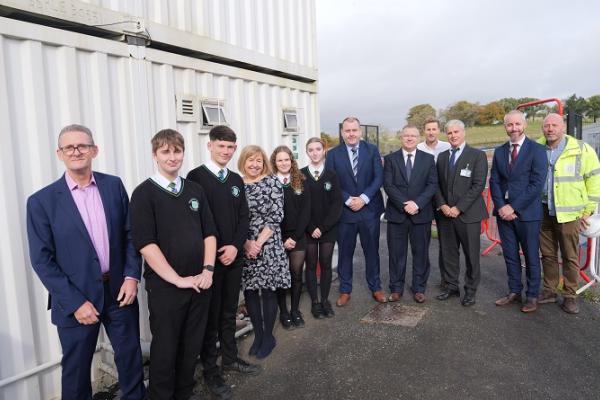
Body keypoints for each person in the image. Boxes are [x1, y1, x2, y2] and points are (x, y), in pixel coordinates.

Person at [26, 124, 145, 400]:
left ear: (94, 150)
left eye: (82, 146)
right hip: (75, 299)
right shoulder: (41, 202)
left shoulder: (113, 185)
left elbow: (130, 235)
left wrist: (131, 276)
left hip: (119, 291)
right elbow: (41, 260)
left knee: (130, 360)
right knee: (77, 372)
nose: (76, 151)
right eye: (70, 147)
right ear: (60, 154)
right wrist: (76, 303)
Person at [130, 129, 217, 400]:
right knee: (166, 351)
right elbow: (146, 245)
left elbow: (209, 234)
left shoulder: (195, 190)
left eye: (177, 151)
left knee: (191, 348)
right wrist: (178, 279)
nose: (172, 157)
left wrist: (208, 270)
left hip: (199, 284)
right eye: (165, 152)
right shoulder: (144, 194)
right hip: (167, 288)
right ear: (155, 155)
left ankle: (184, 394)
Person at [186, 126, 261, 400]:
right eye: (221, 146)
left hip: (234, 257)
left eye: (231, 148)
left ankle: (229, 358)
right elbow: (199, 222)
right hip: (211, 261)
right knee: (209, 319)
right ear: (210, 146)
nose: (226, 152)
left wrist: (235, 245)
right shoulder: (195, 178)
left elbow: (243, 217)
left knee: (228, 312)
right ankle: (210, 371)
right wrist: (219, 248)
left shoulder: (235, 180)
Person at [537, 113, 600, 314]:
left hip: (571, 214)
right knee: (547, 255)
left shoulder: (581, 149)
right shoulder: (536, 148)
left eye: (554, 124)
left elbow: (594, 180)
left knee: (570, 256)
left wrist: (588, 210)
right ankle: (549, 290)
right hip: (543, 210)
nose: (550, 128)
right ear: (542, 128)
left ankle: (570, 295)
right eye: (546, 125)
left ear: (563, 126)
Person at [490, 110, 547, 313]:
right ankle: (514, 291)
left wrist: (513, 207)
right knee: (510, 255)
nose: (513, 128)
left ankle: (532, 296)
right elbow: (494, 181)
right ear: (505, 127)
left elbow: (537, 184)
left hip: (527, 214)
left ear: (524, 125)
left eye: (517, 124)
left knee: (531, 256)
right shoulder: (499, 151)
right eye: (509, 125)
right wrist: (501, 206)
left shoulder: (537, 150)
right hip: (504, 214)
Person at [325, 116, 385, 306]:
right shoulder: (333, 154)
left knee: (372, 251)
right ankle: (345, 290)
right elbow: (330, 181)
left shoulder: (372, 150)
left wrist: (364, 198)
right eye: (347, 131)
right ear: (343, 133)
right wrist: (348, 199)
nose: (351, 134)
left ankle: (376, 287)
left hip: (369, 211)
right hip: (345, 212)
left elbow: (378, 178)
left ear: (360, 131)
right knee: (345, 252)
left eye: (354, 130)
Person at [238, 145, 290, 359]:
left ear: (264, 162)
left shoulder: (272, 182)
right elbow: (233, 217)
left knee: (268, 291)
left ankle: (268, 336)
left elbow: (276, 215)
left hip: (268, 244)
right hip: (244, 245)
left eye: (258, 160)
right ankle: (258, 335)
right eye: (250, 160)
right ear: (243, 162)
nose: (254, 164)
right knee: (250, 291)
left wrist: (258, 243)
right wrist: (246, 243)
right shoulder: (237, 185)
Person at [435, 120, 488, 306]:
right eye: (449, 133)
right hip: (445, 214)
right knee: (448, 253)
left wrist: (458, 208)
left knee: (471, 255)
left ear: (463, 133)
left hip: (468, 215)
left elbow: (478, 185)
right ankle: (451, 286)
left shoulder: (477, 155)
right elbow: (437, 185)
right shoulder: (441, 157)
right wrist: (442, 205)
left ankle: (470, 291)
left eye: (456, 132)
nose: (453, 136)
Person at [383, 125, 438, 303]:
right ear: (401, 137)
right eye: (406, 135)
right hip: (397, 214)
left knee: (421, 253)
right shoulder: (390, 159)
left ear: (418, 138)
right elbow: (388, 185)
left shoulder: (428, 159)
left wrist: (417, 203)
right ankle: (396, 288)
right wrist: (404, 204)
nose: (409, 138)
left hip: (420, 214)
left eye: (413, 136)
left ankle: (419, 288)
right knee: (396, 254)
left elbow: (432, 185)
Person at [301, 137, 343, 318]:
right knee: (310, 265)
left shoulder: (332, 175)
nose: (315, 153)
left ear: (324, 150)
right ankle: (315, 303)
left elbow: (337, 204)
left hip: (328, 228)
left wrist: (324, 227)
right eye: (311, 150)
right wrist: (311, 227)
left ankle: (325, 300)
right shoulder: (301, 175)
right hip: (308, 228)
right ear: (307, 152)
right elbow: (300, 205)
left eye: (318, 149)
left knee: (326, 264)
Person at [271, 145, 311, 328]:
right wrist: (281, 238)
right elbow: (269, 214)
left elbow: (305, 212)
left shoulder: (301, 181)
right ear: (275, 162)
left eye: (286, 159)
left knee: (296, 275)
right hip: (276, 237)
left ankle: (295, 310)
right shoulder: (270, 182)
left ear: (291, 161)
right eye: (280, 160)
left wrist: (294, 237)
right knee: (281, 276)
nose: (284, 163)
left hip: (298, 237)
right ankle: (284, 312)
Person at [417, 117, 451, 289]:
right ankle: (421, 279)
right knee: (423, 242)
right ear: (424, 131)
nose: (431, 132)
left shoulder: (447, 147)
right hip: (423, 201)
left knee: (445, 242)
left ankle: (446, 279)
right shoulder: (418, 148)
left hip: (442, 201)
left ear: (439, 130)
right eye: (428, 129)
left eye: (434, 129)